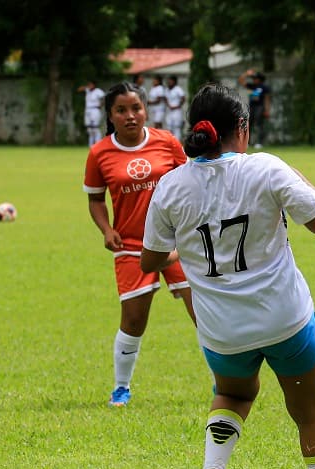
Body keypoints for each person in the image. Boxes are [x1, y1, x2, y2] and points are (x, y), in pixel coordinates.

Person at [140, 83, 315, 469]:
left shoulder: (172, 184)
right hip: (284, 319)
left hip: (221, 329)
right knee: (310, 413)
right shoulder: (265, 168)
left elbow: (150, 261)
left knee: (232, 395)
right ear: (242, 130)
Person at [82, 81, 195, 407]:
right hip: (132, 246)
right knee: (133, 318)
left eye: (136, 108)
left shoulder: (167, 142)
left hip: (178, 243)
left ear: (145, 110)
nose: (130, 116)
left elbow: (192, 182)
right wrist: (106, 229)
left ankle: (224, 381)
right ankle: (121, 387)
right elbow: (95, 199)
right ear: (110, 115)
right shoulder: (99, 153)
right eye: (121, 110)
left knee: (202, 312)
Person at [237, 68, 271, 149]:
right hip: (252, 106)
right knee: (249, 124)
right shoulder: (252, 86)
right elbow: (241, 81)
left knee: (259, 125)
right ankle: (247, 142)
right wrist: (246, 74)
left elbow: (267, 99)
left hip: (260, 107)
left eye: (255, 78)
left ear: (259, 79)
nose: (254, 79)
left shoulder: (264, 87)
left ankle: (259, 142)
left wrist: (266, 110)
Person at [78, 80, 105, 147]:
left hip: (95, 109)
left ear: (94, 85)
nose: (89, 86)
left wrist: (101, 105)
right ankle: (91, 145)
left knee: (95, 127)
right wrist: (86, 87)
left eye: (91, 84)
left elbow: (104, 98)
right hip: (88, 110)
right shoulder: (88, 91)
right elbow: (79, 89)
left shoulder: (98, 91)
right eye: (89, 84)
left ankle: (98, 143)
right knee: (89, 128)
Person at [164, 75, 186, 142]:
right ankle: (170, 142)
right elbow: (165, 98)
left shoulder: (178, 89)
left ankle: (177, 142)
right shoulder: (167, 89)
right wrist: (168, 105)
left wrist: (178, 106)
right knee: (169, 127)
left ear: (174, 81)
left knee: (177, 128)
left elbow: (183, 98)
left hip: (177, 111)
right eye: (168, 81)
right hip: (169, 111)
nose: (169, 82)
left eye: (170, 81)